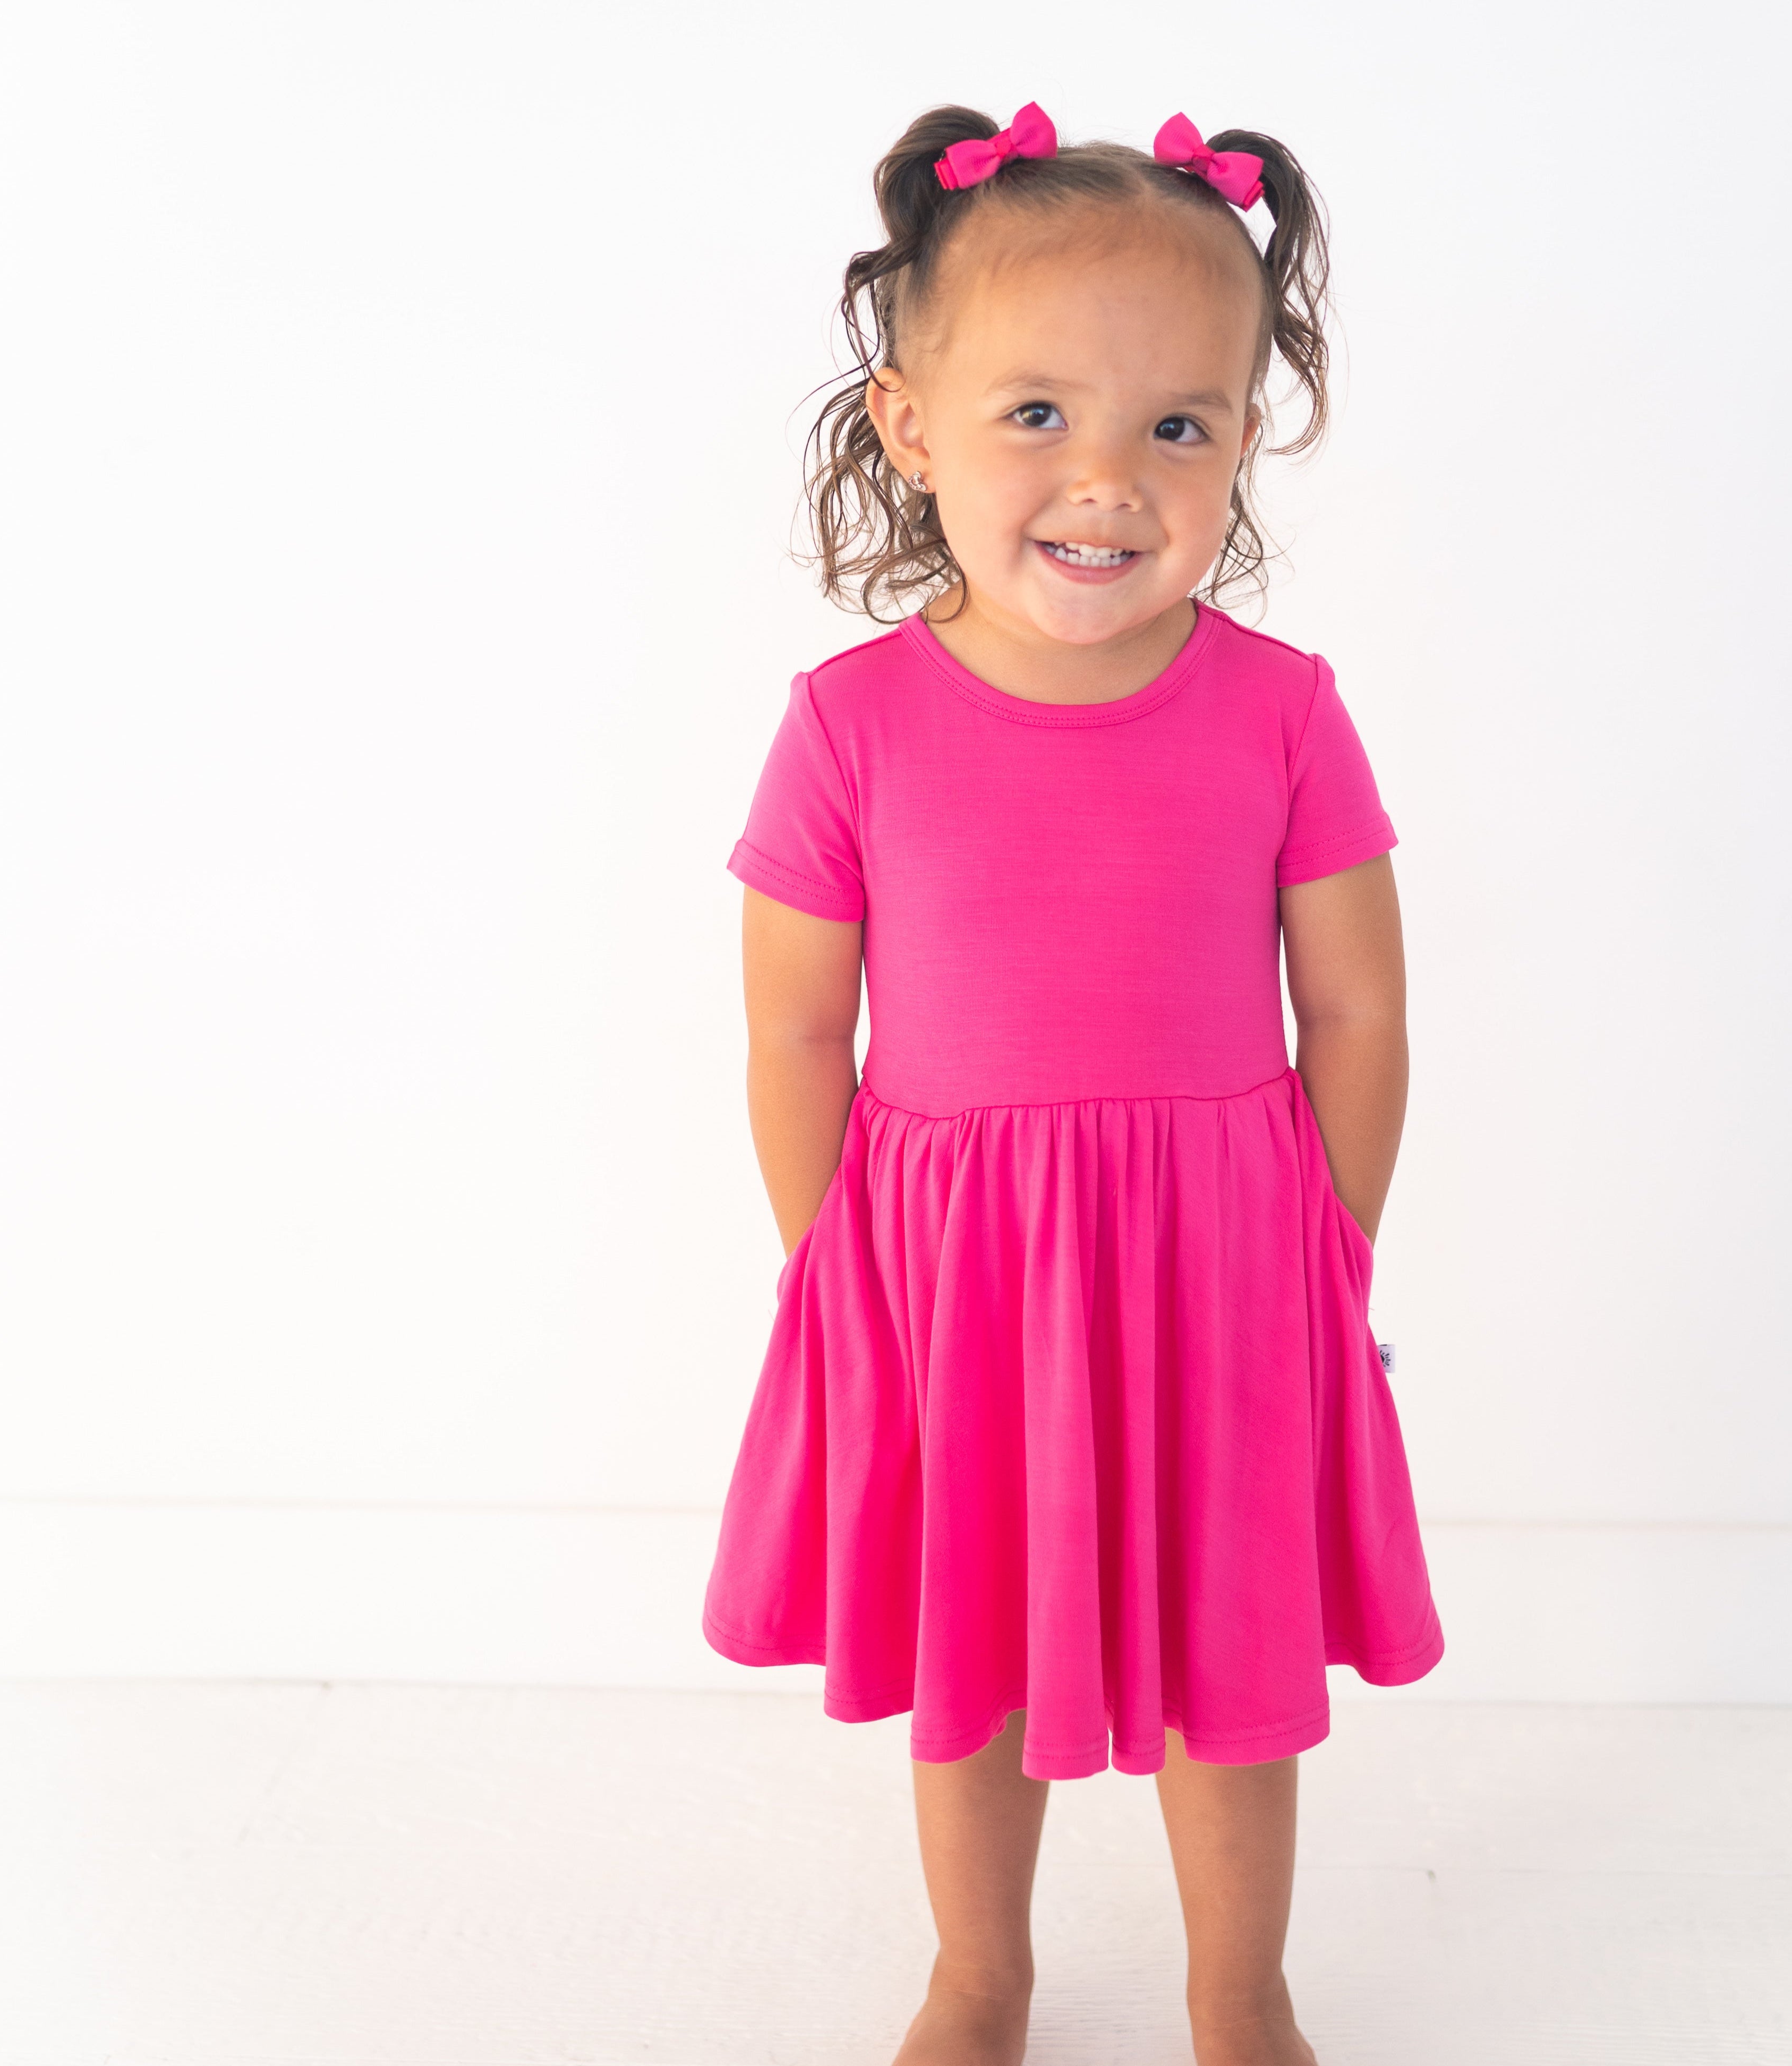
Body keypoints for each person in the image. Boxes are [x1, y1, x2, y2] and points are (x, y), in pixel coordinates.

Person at [703, 99, 1444, 2066]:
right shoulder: (847, 727)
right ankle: (981, 1970)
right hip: (951, 1278)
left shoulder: (1284, 711)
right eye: (1036, 413)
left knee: (1234, 1669)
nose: (1106, 476)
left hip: (1220, 1265)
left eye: (1175, 425)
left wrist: (1325, 1250)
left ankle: (1237, 1986)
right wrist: (833, 1271)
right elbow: (796, 1027)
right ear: (907, 423)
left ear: (1238, 443)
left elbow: (1355, 1012)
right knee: (981, 1663)